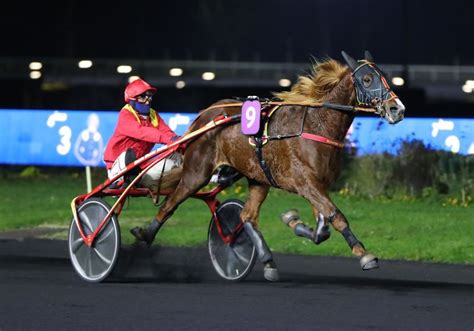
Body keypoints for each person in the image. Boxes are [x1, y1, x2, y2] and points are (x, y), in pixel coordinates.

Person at [103, 78, 182, 187]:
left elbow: (167, 132)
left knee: (177, 152)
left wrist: (179, 141)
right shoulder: (125, 114)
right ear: (132, 100)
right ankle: (120, 182)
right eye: (143, 97)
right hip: (118, 169)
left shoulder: (153, 115)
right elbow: (143, 132)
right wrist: (170, 140)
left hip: (141, 168)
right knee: (129, 154)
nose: (148, 100)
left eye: (149, 96)